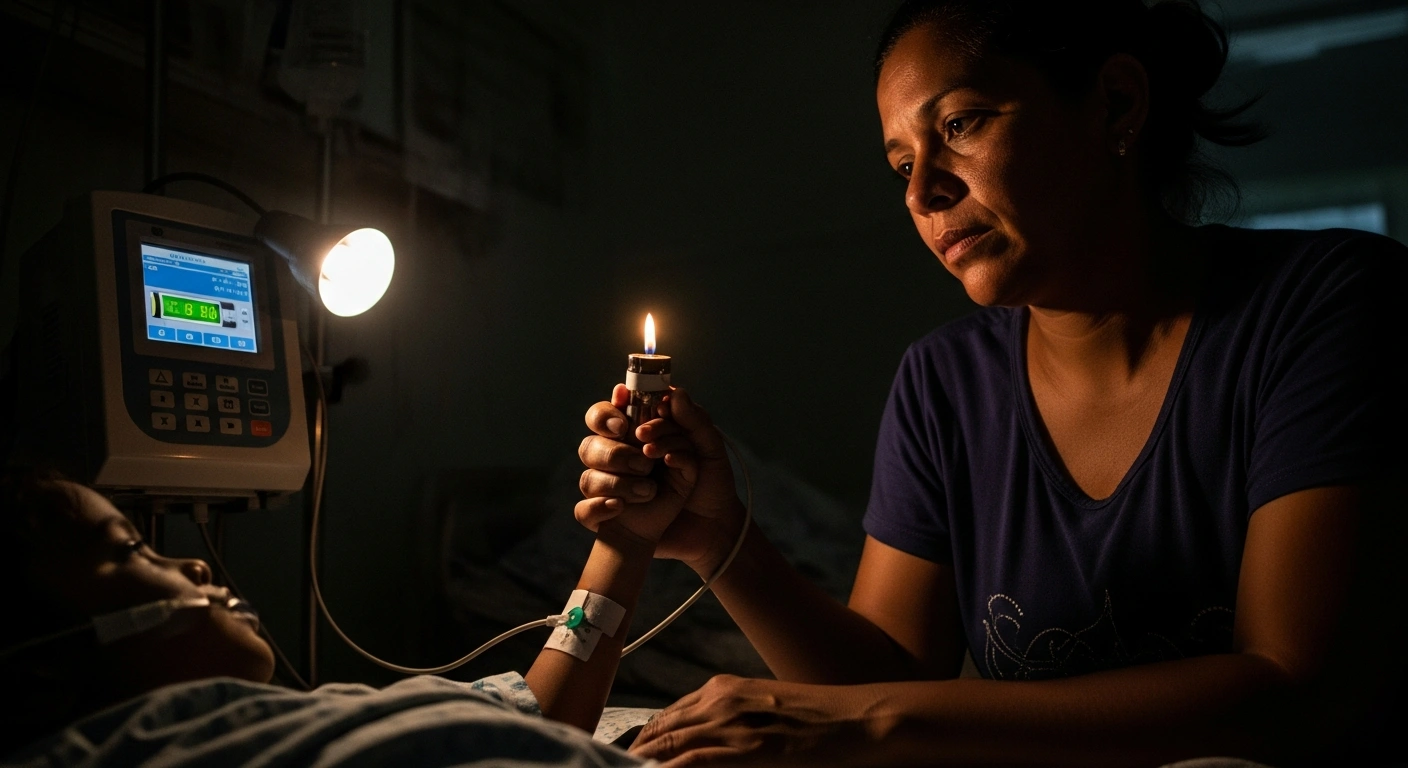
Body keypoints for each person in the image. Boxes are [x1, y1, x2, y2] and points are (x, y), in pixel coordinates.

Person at [573, 0, 1408, 765]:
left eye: (961, 124)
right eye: (901, 165)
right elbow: (891, 671)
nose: (924, 192)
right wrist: (719, 540)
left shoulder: (1325, 305)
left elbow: (1299, 689)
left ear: (1116, 104)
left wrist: (867, 722)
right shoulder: (945, 382)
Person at [0, 394, 710, 768]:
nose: (191, 565)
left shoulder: (307, 721)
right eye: (128, 548)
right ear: (34, 670)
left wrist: (625, 540)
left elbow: (541, 714)